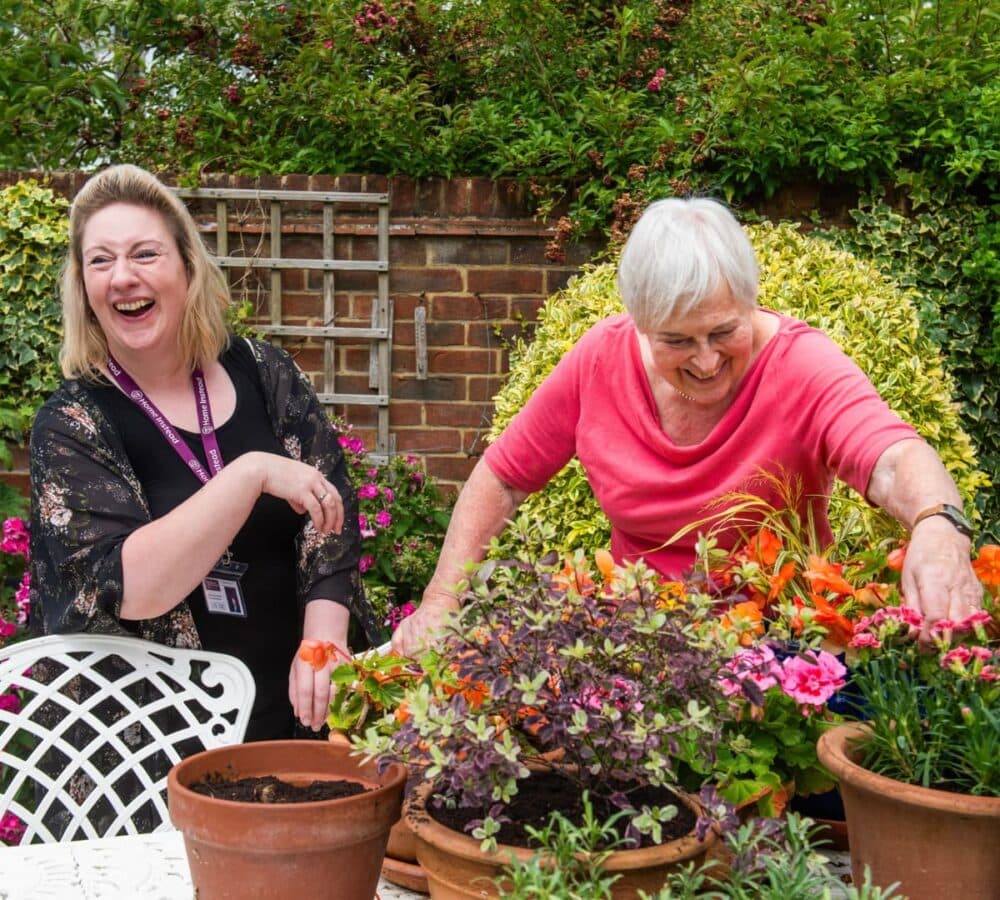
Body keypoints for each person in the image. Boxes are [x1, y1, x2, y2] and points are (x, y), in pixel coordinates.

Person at [393, 196, 983, 656]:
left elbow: (890, 456)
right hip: (640, 643)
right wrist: (444, 598)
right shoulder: (601, 358)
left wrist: (937, 526)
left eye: (724, 331)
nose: (705, 360)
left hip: (780, 651)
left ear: (750, 302)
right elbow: (504, 475)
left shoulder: (802, 366)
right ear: (642, 325)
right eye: (677, 340)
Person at [29, 164, 379, 741]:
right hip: (152, 749)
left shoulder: (266, 374)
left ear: (187, 267)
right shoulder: (71, 424)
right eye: (101, 260)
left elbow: (330, 516)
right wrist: (250, 473)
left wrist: (324, 640)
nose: (122, 278)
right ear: (84, 288)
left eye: (144, 254)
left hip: (297, 718)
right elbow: (132, 587)